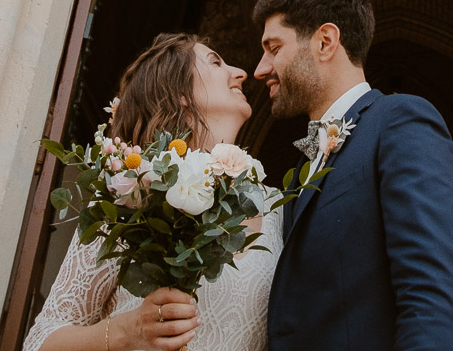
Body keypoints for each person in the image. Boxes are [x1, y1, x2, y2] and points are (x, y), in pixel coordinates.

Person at [253, 0, 453, 351]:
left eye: (274, 48)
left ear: (325, 41)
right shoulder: (299, 175)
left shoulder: (399, 122)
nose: (261, 69)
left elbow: (432, 302)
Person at [25, 34, 277, 351]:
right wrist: (127, 331)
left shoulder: (276, 209)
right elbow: (39, 341)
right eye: (215, 62)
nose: (240, 72)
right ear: (179, 92)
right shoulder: (132, 196)